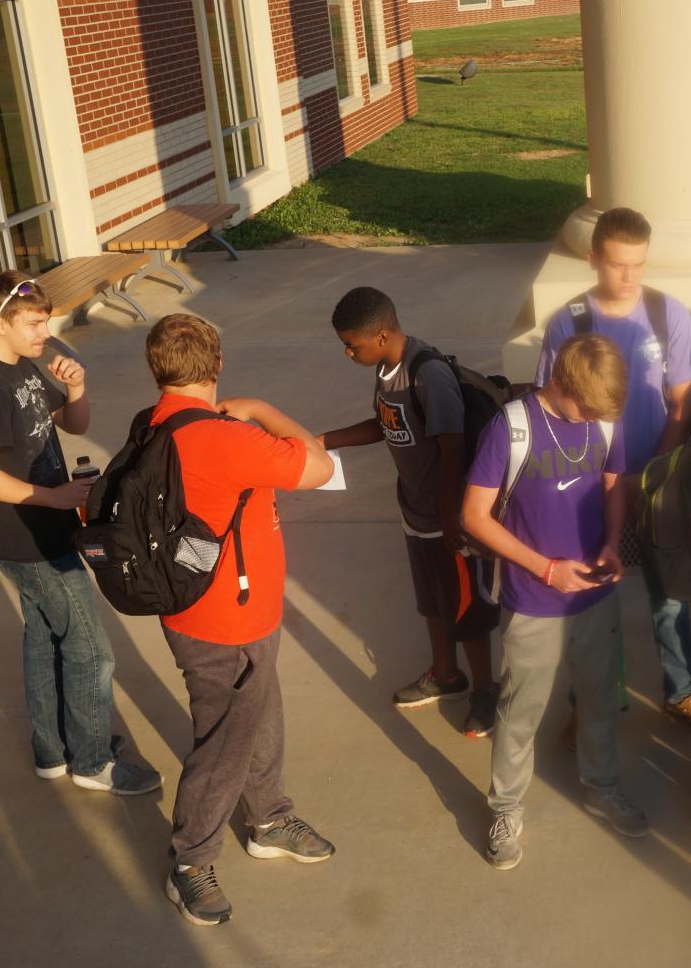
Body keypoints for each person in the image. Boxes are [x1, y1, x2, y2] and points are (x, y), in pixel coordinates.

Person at [146, 314, 337, 927]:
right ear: (218, 364)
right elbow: (319, 464)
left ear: (158, 370)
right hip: (222, 621)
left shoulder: (157, 423)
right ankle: (190, 860)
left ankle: (269, 818)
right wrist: (259, 407)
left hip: (223, 610)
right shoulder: (226, 437)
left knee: (261, 717)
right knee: (224, 743)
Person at [0, 271, 160, 795]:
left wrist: (75, 387)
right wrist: (53, 497)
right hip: (29, 538)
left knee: (45, 640)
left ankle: (53, 752)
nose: (45, 332)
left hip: (45, 526)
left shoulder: (22, 367)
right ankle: (91, 762)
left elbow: (71, 423)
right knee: (92, 651)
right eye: (34, 323)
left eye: (47, 321)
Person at [462, 334, 648, 870]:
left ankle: (602, 785)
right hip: (532, 598)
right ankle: (505, 807)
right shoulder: (512, 427)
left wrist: (613, 541)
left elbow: (615, 479)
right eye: (586, 407)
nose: (593, 417)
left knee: (598, 697)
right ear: (560, 383)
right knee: (519, 711)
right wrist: (545, 569)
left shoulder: (603, 418)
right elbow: (473, 517)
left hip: (594, 591)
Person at [533, 207, 691, 732]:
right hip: (587, 482)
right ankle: (584, 700)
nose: (629, 276)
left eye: (639, 264)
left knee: (668, 594)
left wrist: (647, 474)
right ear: (593, 259)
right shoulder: (569, 322)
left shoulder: (667, 315)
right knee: (586, 593)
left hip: (654, 479)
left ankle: (682, 692)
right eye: (616, 264)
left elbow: (681, 404)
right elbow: (551, 406)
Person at [320, 287, 499, 735]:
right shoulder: (384, 369)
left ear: (380, 335)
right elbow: (385, 426)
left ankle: (485, 690)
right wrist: (322, 441)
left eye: (352, 345)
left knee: (464, 609)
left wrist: (449, 515)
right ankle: (445, 676)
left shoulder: (428, 375)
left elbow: (453, 446)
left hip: (446, 517)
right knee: (431, 602)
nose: (346, 353)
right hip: (414, 511)